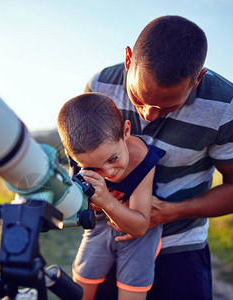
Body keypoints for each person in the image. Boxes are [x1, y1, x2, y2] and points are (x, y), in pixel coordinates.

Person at [83, 15, 233, 300]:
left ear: (197, 79)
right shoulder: (101, 86)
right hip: (109, 241)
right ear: (128, 59)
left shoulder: (228, 107)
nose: (148, 115)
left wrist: (171, 212)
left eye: (167, 107)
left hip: (181, 248)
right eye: (138, 98)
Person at [57, 92, 166, 300]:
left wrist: (106, 200)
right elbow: (79, 207)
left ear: (126, 131)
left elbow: (140, 226)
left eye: (113, 158)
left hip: (138, 236)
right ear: (73, 157)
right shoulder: (79, 157)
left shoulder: (142, 159)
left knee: (132, 291)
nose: (107, 172)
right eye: (93, 167)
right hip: (98, 226)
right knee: (81, 287)